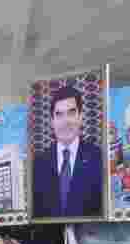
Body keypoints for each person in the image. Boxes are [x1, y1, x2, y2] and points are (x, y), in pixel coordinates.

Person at [31, 86, 104, 220]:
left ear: (81, 117)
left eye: (71, 113)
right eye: (59, 114)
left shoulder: (98, 158)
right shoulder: (39, 163)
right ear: (52, 121)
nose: (66, 121)